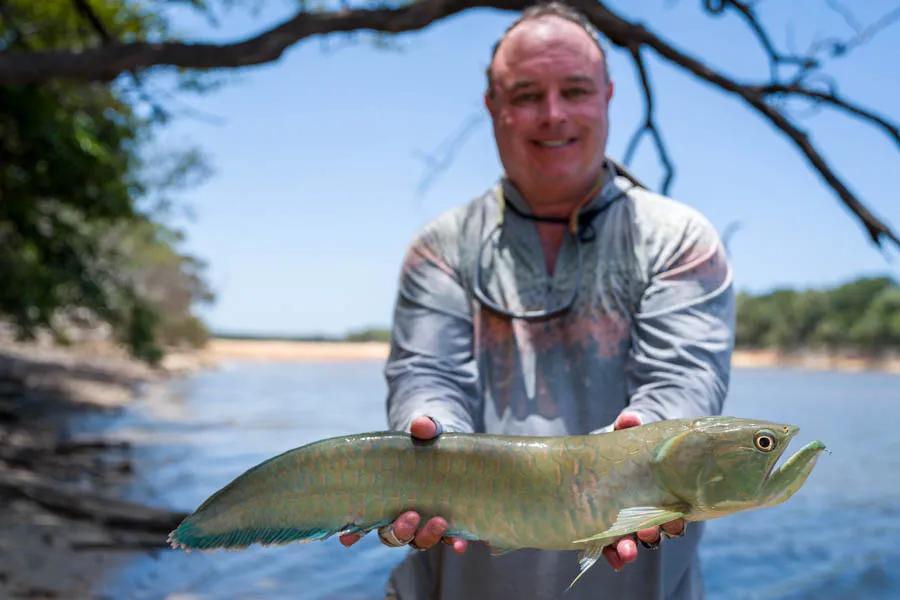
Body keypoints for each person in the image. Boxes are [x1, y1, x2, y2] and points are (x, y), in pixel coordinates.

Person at [341, 3, 734, 598]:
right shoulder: (442, 247)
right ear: (492, 108)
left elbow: (683, 385)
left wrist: (643, 450)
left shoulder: (679, 239)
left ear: (607, 95)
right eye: (525, 94)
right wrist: (430, 444)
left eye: (574, 90)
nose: (552, 115)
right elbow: (427, 378)